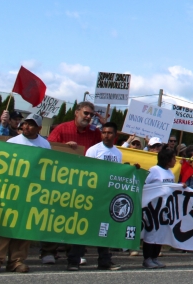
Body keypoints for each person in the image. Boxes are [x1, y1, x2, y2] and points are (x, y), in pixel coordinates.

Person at [0, 114, 50, 273]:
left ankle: (17, 261)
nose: (27, 127)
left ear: (39, 128)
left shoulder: (44, 145)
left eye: (32, 124)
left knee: (23, 227)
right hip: (11, 192)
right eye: (25, 123)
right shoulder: (12, 142)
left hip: (31, 193)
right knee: (2, 226)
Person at [44, 100, 105, 269]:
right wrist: (65, 147)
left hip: (83, 182)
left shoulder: (93, 133)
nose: (88, 117)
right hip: (61, 179)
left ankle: (75, 252)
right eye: (86, 113)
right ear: (76, 113)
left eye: (91, 115)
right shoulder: (62, 128)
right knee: (54, 215)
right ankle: (49, 251)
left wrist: (106, 126)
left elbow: (106, 146)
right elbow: (49, 148)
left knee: (76, 217)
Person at [79, 122, 123, 270]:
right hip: (93, 195)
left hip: (108, 196)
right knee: (84, 226)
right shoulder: (93, 150)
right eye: (104, 132)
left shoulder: (118, 153)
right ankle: (75, 259)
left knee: (104, 229)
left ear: (115, 135)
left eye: (109, 133)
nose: (106, 135)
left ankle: (104, 261)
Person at [143, 147, 178, 269]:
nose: (175, 161)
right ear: (167, 159)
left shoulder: (169, 172)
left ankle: (155, 257)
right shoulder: (154, 171)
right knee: (151, 234)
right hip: (154, 208)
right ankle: (147, 258)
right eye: (173, 158)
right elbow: (145, 185)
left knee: (161, 234)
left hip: (165, 208)